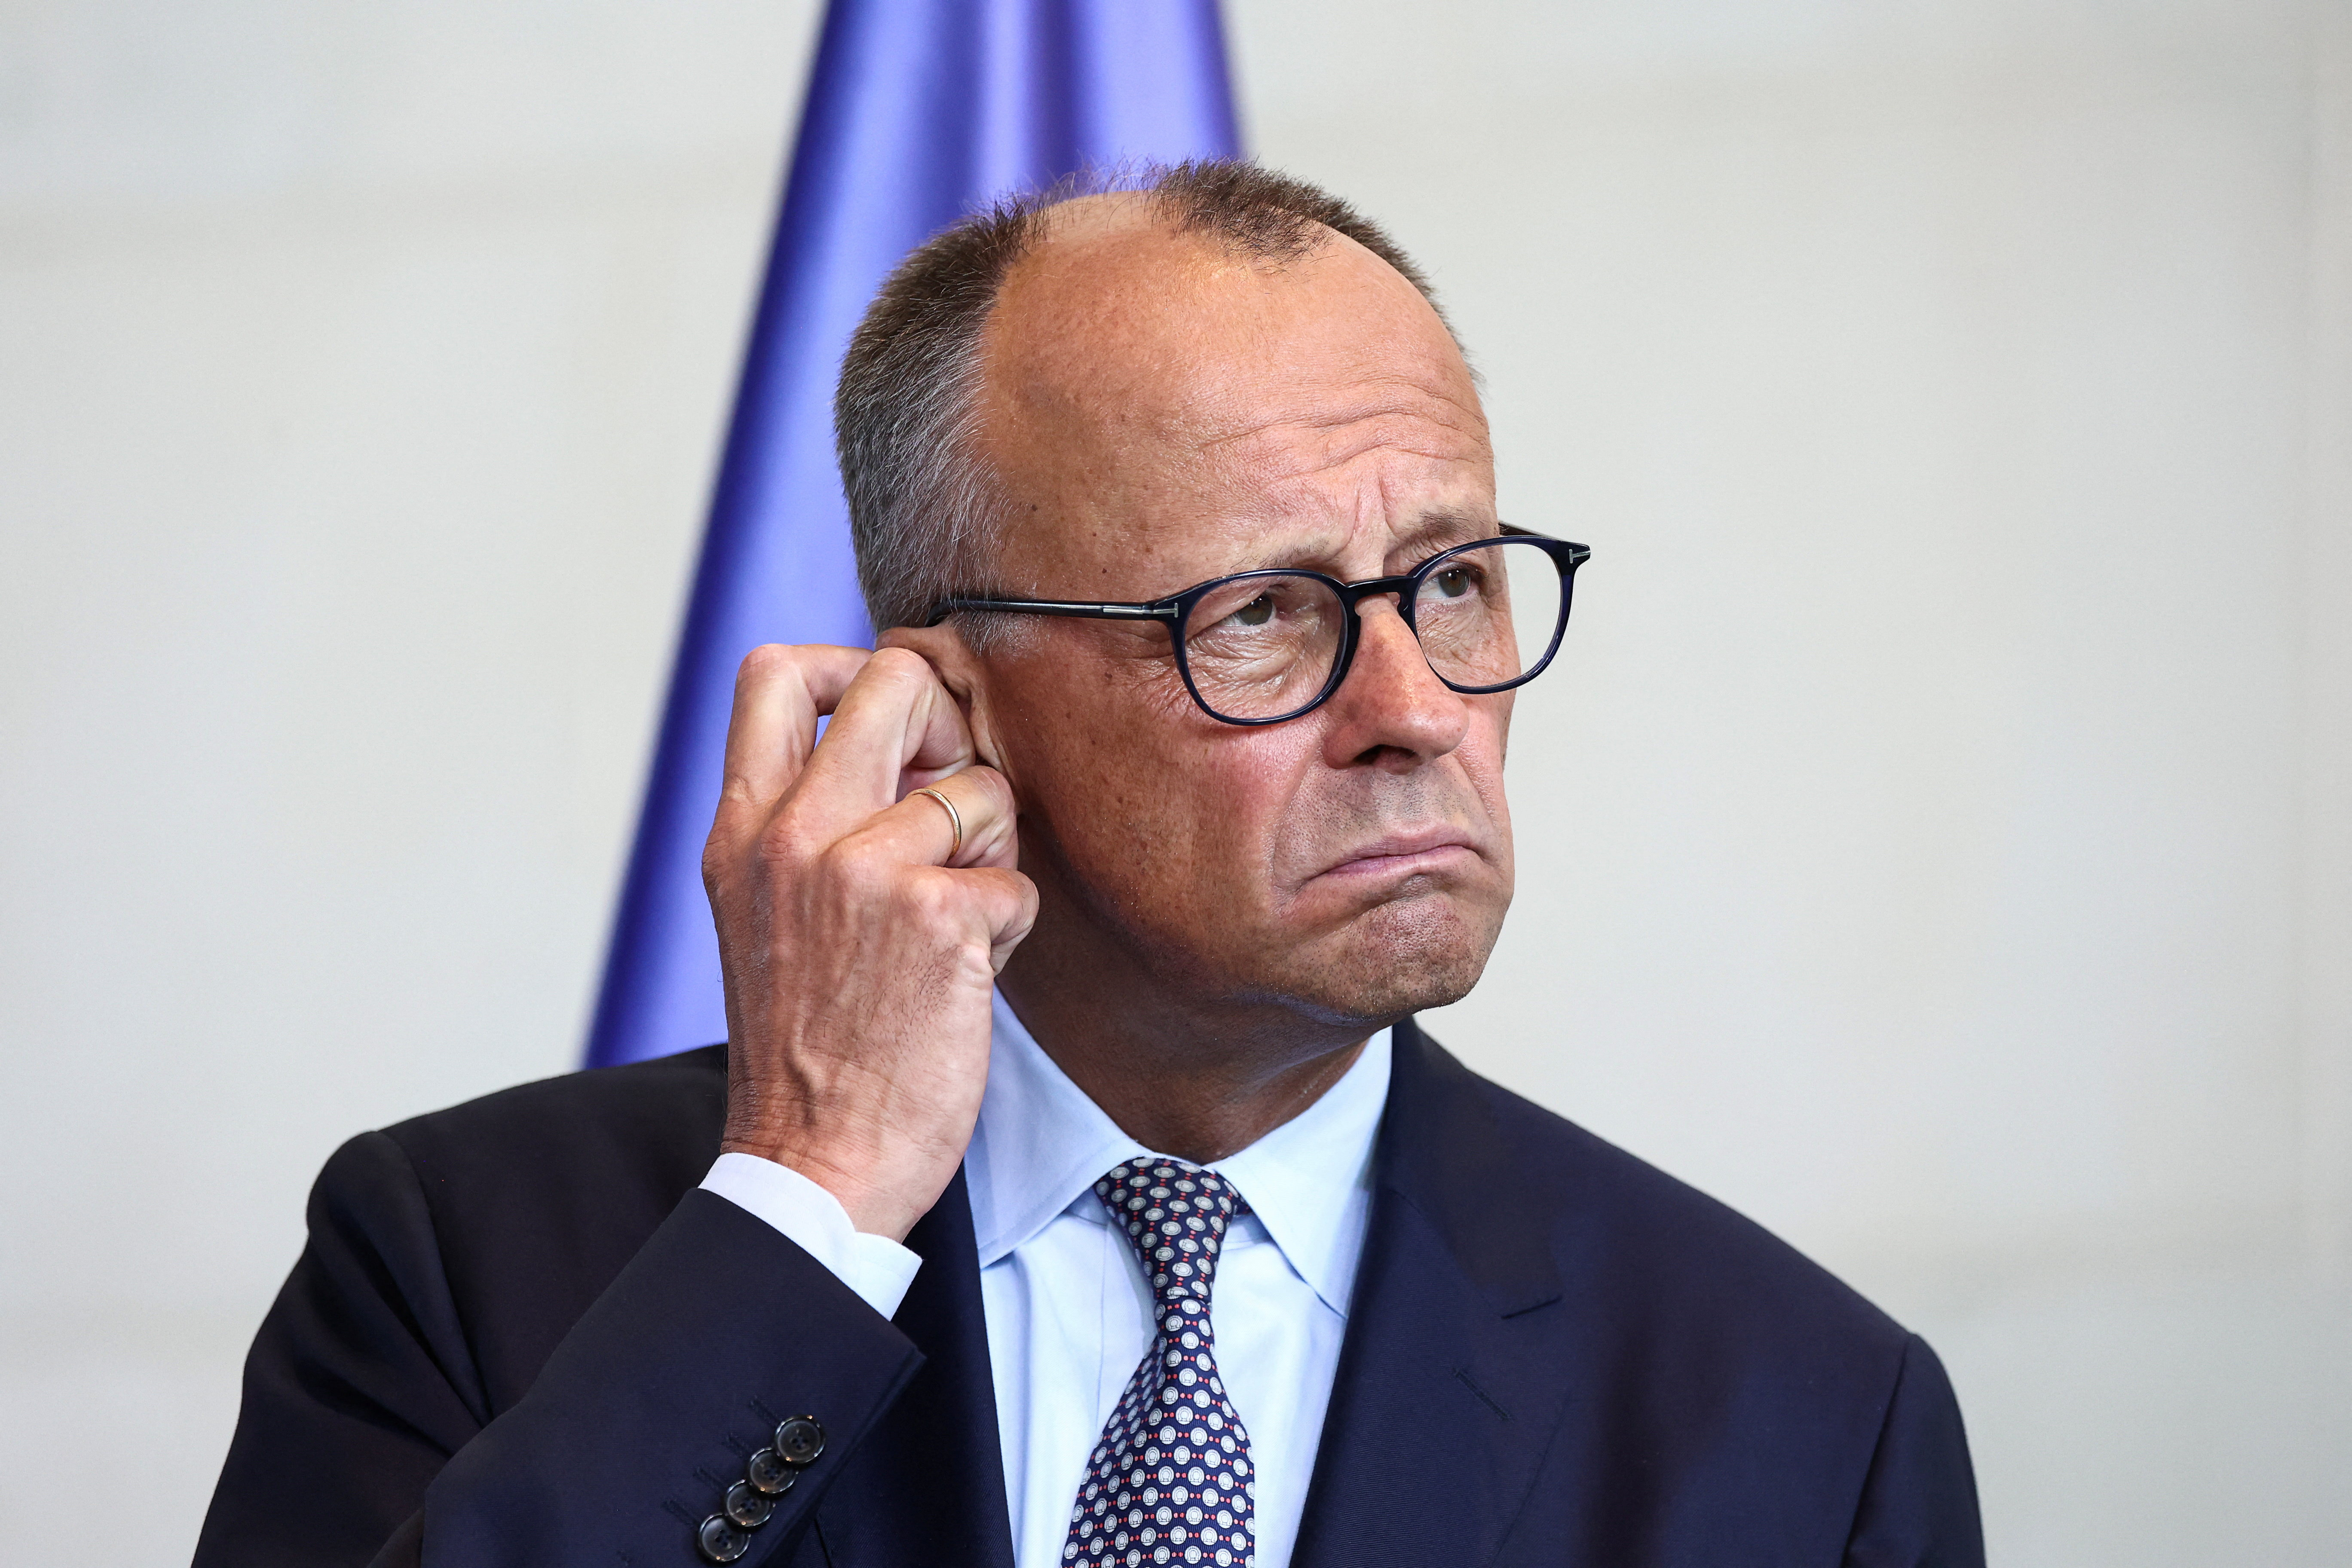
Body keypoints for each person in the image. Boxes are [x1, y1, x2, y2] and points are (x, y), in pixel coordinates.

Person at [195, 160, 1983, 1568]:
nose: (1417, 709)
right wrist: (812, 1207)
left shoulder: (1802, 1417)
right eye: (1262, 616)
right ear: (949, 705)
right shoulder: (465, 1266)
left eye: (1451, 581)